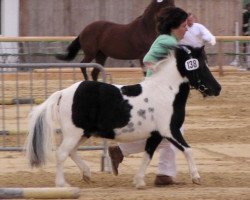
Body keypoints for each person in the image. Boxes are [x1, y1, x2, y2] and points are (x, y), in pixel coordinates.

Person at [108, 6, 188, 187]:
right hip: (155, 96)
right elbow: (147, 60)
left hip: (159, 94)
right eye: (184, 25)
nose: (187, 29)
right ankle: (162, 174)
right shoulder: (167, 41)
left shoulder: (168, 40)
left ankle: (163, 173)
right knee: (174, 132)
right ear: (174, 26)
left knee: (171, 133)